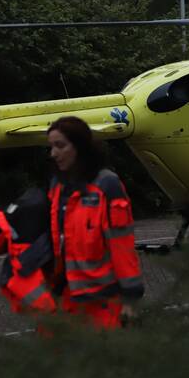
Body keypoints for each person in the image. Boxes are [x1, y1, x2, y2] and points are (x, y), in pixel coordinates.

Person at [46, 116, 144, 329]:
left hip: (102, 300)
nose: (53, 153)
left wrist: (130, 297)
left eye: (60, 146)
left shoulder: (107, 185)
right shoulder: (57, 185)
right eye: (51, 146)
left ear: (80, 147)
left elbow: (122, 245)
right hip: (64, 296)